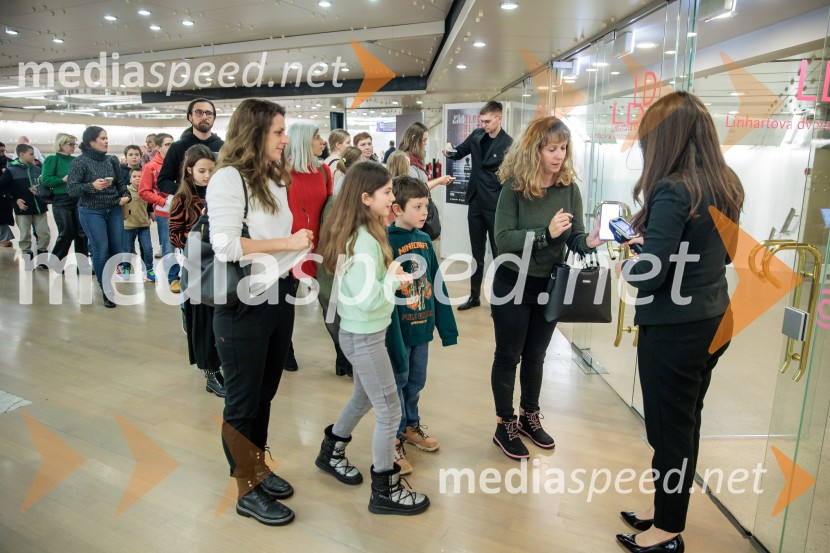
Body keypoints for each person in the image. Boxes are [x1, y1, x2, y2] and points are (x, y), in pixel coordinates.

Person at [614, 92, 744, 553]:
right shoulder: (727, 183)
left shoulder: (674, 189)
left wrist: (627, 264)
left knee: (669, 431)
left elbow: (650, 277)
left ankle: (667, 531)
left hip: (675, 330)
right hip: (713, 319)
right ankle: (663, 508)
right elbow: (723, 256)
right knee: (684, 424)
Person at [207, 98, 312, 527]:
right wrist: (288, 243)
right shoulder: (228, 178)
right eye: (278, 132)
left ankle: (258, 466)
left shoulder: (272, 177)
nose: (286, 140)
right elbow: (226, 245)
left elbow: (274, 237)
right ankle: (245, 488)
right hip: (244, 305)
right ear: (254, 133)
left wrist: (298, 252)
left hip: (278, 295)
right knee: (243, 400)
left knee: (265, 393)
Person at [315, 162, 429, 516]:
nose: (392, 198)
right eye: (387, 192)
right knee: (390, 410)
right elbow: (369, 300)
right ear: (366, 198)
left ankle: (331, 450)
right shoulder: (363, 242)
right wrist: (394, 278)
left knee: (364, 397)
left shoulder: (366, 232)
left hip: (364, 334)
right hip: (363, 337)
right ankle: (385, 489)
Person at [491, 116, 603, 460]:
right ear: (534, 150)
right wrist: (545, 234)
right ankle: (504, 424)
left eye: (563, 148)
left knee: (536, 355)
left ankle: (529, 416)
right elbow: (503, 239)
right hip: (512, 282)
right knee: (509, 355)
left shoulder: (568, 188)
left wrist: (590, 240)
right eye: (551, 148)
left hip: (549, 284)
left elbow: (575, 239)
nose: (559, 155)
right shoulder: (514, 188)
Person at [386, 176, 458, 475]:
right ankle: (392, 437)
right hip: (397, 332)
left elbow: (436, 284)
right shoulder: (386, 241)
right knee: (397, 383)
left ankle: (410, 425)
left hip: (422, 328)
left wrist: (447, 328)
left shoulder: (426, 241)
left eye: (426, 206)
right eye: (417, 206)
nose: (424, 212)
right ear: (397, 209)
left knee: (416, 382)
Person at [443, 100, 513, 311]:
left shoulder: (508, 144)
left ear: (499, 118)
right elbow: (458, 152)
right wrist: (448, 150)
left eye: (487, 121)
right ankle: (474, 296)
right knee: (476, 253)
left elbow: (512, 176)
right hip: (475, 201)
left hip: (495, 205)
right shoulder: (476, 135)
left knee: (499, 254)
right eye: (482, 121)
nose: (484, 125)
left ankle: (499, 300)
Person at [169, 144, 224, 397]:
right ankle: (210, 371)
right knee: (202, 321)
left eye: (211, 170)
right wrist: (200, 238)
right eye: (202, 171)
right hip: (198, 268)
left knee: (220, 318)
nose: (207, 176)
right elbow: (174, 235)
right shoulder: (182, 198)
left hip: (222, 265)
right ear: (189, 170)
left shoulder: (220, 193)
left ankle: (221, 363)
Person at [157, 98, 225, 291]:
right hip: (189, 215)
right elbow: (163, 181)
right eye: (199, 112)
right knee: (192, 270)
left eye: (209, 113)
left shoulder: (224, 147)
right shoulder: (178, 147)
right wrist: (186, 193)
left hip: (218, 209)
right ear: (190, 117)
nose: (204, 117)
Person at [283, 121, 333, 372]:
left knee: (331, 303)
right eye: (317, 137)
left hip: (321, 247)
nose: (322, 142)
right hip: (289, 248)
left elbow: (329, 208)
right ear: (303, 140)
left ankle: (345, 357)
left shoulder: (324, 170)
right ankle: (285, 353)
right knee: (284, 306)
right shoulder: (282, 173)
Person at [67, 126, 131, 308]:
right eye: (103, 138)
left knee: (118, 249)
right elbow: (72, 189)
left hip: (114, 209)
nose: (106, 141)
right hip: (91, 211)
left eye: (107, 138)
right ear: (91, 142)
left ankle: (111, 281)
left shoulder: (111, 160)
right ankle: (107, 289)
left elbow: (121, 183)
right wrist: (92, 186)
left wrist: (126, 195)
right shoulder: (80, 162)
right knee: (101, 249)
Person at [138, 133, 178, 291]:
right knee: (168, 246)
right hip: (165, 213)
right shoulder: (150, 167)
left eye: (172, 144)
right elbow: (143, 192)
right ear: (158, 148)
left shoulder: (180, 163)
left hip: (183, 210)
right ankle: (173, 278)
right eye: (167, 144)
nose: (171, 147)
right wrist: (163, 202)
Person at [43, 133, 89, 266]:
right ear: (61, 144)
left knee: (82, 233)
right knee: (66, 233)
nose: (74, 146)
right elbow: (45, 179)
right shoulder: (52, 159)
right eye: (71, 144)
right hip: (61, 200)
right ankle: (56, 263)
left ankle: (83, 265)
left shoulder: (76, 160)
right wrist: (62, 179)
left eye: (75, 144)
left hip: (78, 199)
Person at [0, 144, 49, 263]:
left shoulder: (38, 169)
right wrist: (15, 199)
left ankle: (42, 255)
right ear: (21, 154)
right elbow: (3, 188)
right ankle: (27, 254)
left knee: (44, 232)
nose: (34, 157)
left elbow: (45, 186)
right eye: (31, 154)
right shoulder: (11, 170)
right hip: (23, 208)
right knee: (24, 234)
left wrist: (40, 191)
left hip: (40, 207)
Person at [121, 168, 155, 281]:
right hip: (128, 226)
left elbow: (150, 206)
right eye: (134, 176)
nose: (137, 178)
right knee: (127, 249)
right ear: (130, 179)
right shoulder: (126, 191)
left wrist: (154, 216)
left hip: (143, 225)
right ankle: (126, 267)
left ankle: (149, 269)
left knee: (148, 248)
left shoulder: (146, 191)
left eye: (140, 176)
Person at [0, 141, 13, 247]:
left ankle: (4, 238)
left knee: (3, 217)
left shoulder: (8, 162)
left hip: (4, 195)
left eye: (3, 151)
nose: (2, 153)